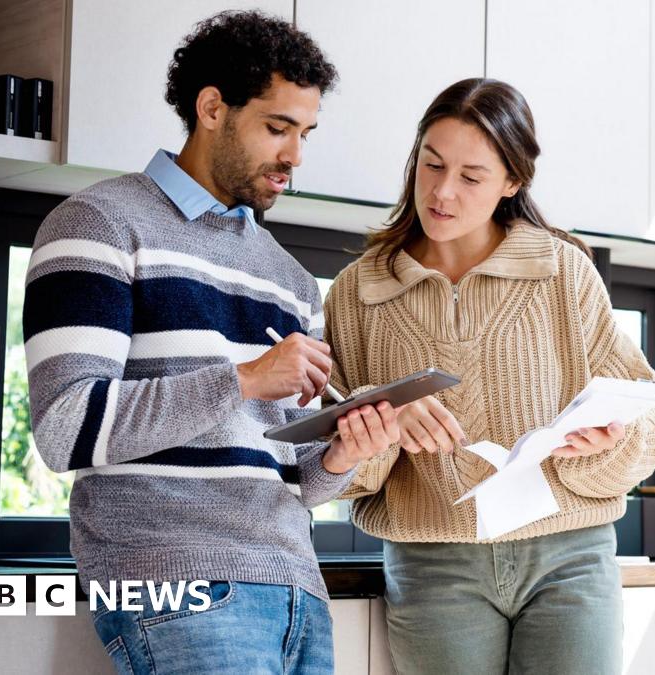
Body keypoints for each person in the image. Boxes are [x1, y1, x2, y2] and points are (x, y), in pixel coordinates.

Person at [23, 11, 399, 674]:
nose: (295, 156)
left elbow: (293, 480)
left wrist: (343, 452)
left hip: (297, 591)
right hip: (177, 580)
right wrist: (246, 378)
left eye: (305, 132)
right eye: (277, 128)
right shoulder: (99, 222)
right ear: (212, 108)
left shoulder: (288, 278)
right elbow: (65, 427)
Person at [323, 78, 655, 674]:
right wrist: (382, 425)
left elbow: (644, 432)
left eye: (471, 176)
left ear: (512, 182)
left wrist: (598, 445)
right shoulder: (359, 291)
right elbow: (343, 470)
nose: (442, 191)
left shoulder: (563, 272)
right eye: (430, 165)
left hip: (570, 556)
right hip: (434, 565)